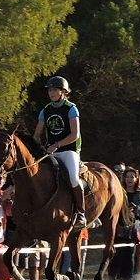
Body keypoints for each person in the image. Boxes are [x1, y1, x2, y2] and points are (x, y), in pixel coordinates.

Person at [36, 76, 88, 227]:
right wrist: (38, 146)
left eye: (54, 89)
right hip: (51, 151)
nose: (51, 93)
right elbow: (37, 134)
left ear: (63, 91)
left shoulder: (71, 108)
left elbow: (75, 134)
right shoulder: (45, 110)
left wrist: (57, 145)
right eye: (50, 90)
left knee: (72, 178)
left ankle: (81, 213)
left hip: (69, 150)